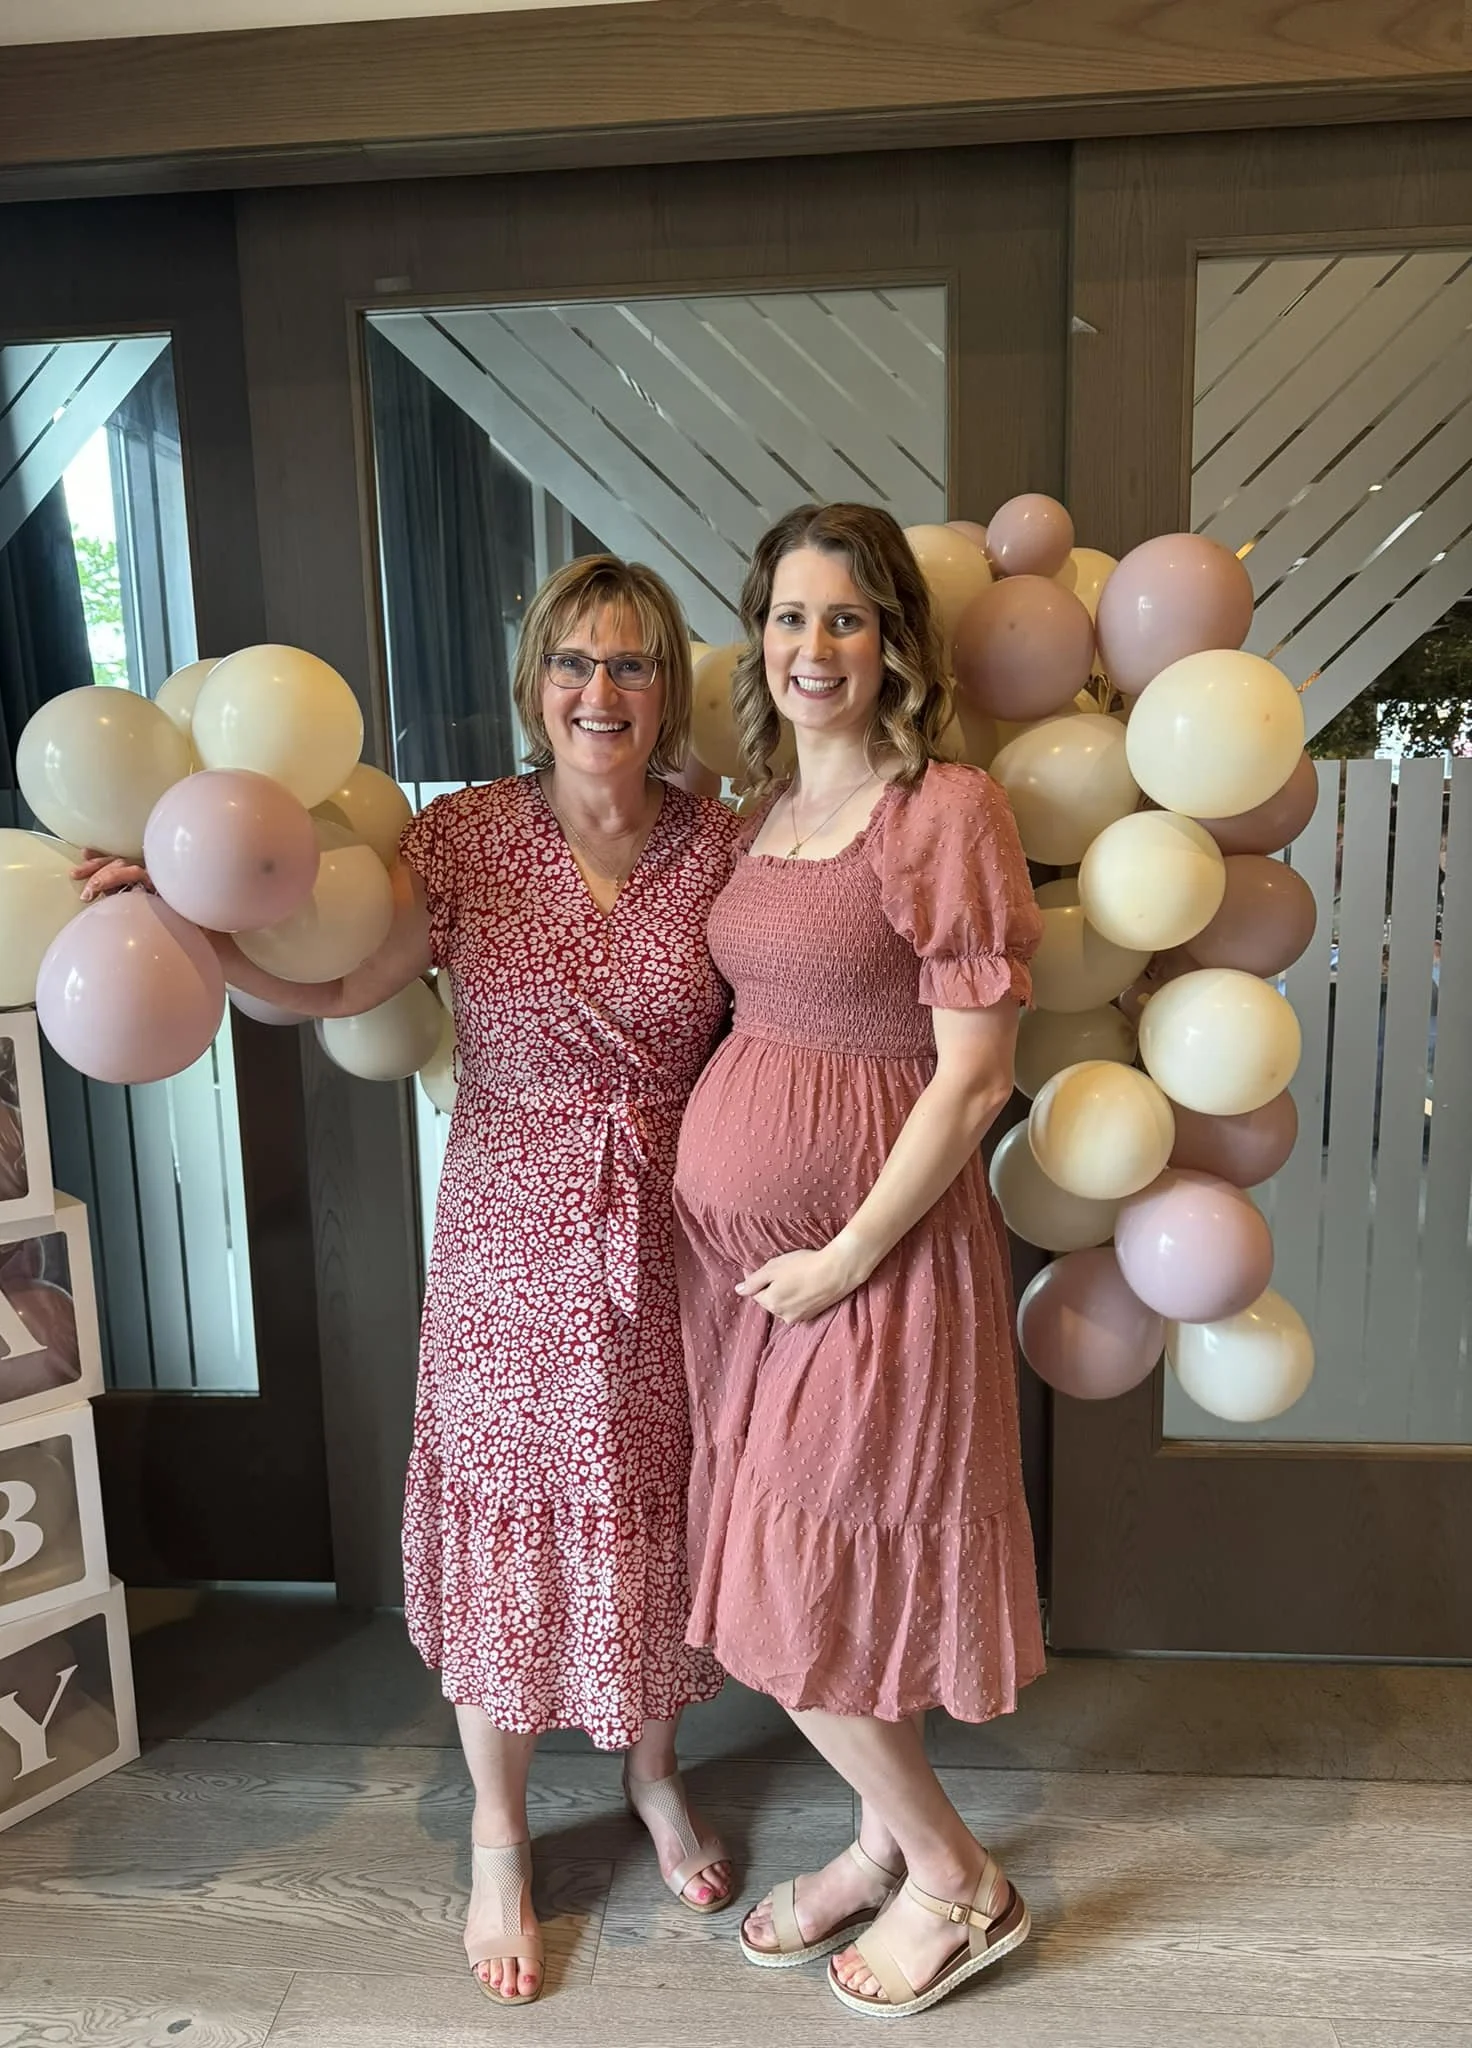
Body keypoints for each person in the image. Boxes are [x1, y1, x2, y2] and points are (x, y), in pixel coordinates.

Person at [78, 557, 739, 2006]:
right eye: (572, 663)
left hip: (671, 1239)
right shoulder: (464, 839)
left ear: (667, 691)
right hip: (508, 1232)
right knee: (509, 1508)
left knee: (656, 1505)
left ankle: (654, 1773)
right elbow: (337, 984)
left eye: (630, 666)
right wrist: (186, 916)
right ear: (534, 686)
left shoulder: (722, 849)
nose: (599, 692)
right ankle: (502, 1838)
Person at [672, 503, 1044, 2020]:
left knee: (798, 1597)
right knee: (833, 1588)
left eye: (846, 618)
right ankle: (882, 1846)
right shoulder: (758, 809)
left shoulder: (941, 810)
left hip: (876, 1266)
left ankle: (966, 1883)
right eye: (787, 617)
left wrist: (840, 1259)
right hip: (751, 1281)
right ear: (756, 637)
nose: (812, 647)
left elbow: (971, 1078)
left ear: (894, 640)